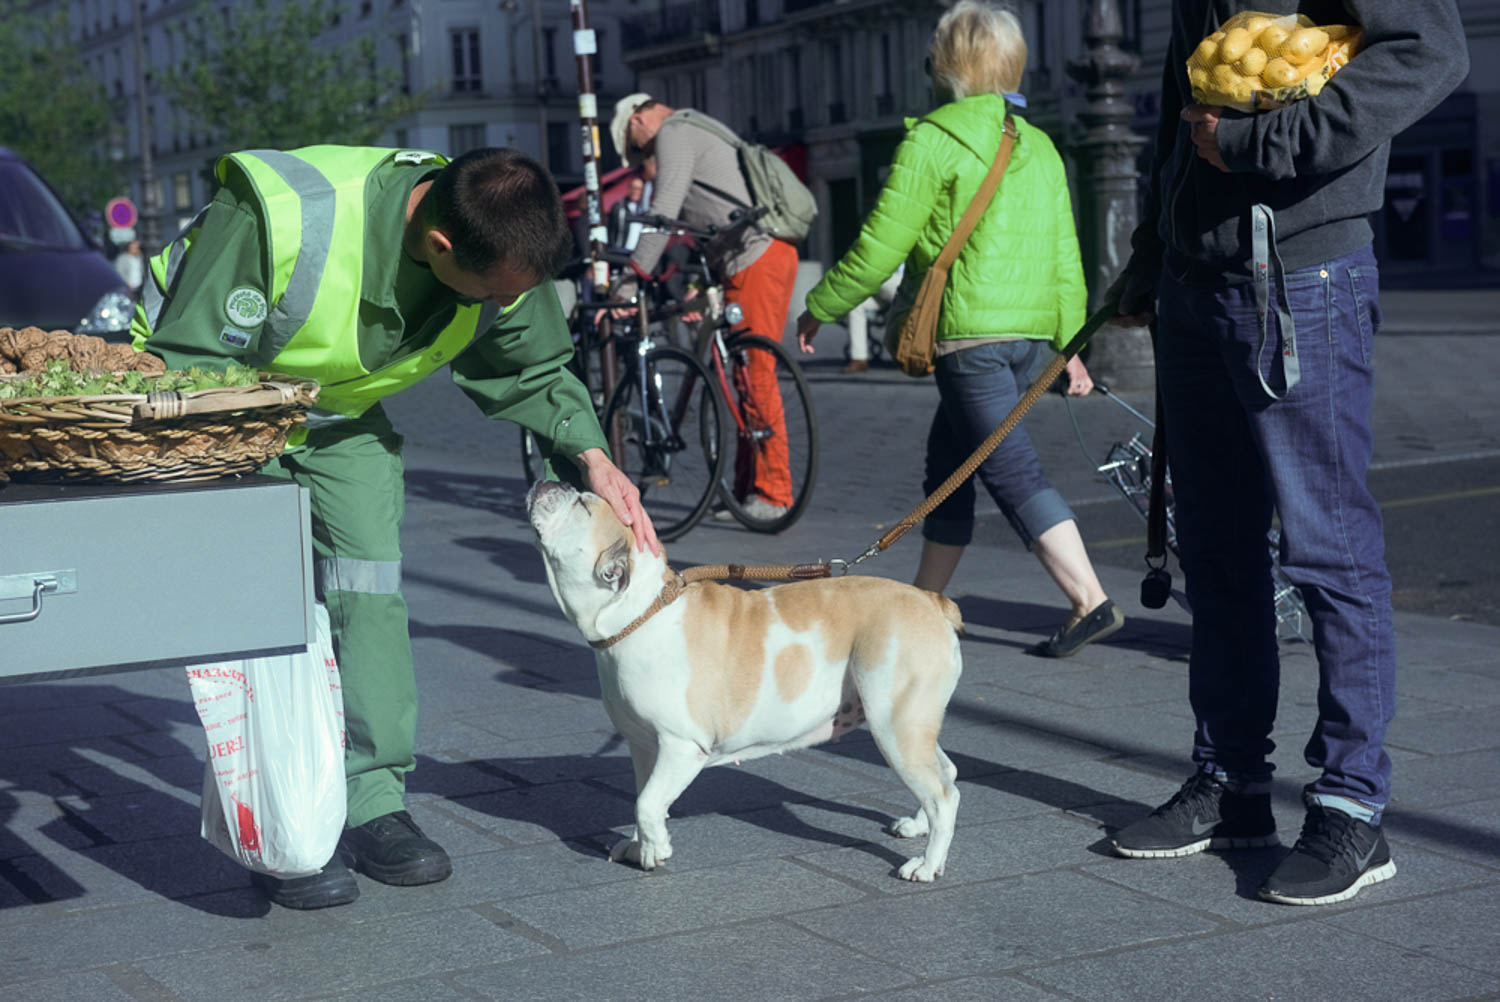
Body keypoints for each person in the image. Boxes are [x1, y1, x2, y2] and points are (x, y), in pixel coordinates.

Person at [130, 145, 659, 910]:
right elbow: (186, 361)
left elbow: (533, 369)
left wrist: (591, 457)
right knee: (267, 607)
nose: (500, 305)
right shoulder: (279, 216)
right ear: (440, 245)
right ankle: (286, 830)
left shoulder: (496, 239)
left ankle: (373, 801)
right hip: (214, 411)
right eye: (490, 294)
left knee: (367, 584)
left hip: (335, 418)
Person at [1106, 0, 1468, 905]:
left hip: (1300, 278)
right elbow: (1178, 107)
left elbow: (1432, 50)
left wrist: (1264, 146)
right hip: (1197, 285)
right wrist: (1153, 253)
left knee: (1328, 549)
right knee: (1219, 552)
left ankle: (1352, 806)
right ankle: (1231, 785)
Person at [796, 0, 1122, 658]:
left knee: (1011, 472)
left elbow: (882, 244)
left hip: (970, 341)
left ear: (947, 63)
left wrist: (821, 304)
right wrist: (1068, 348)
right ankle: (925, 606)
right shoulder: (1041, 143)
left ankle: (1089, 600)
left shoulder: (933, 139)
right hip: (1029, 339)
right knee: (949, 463)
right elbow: (1067, 257)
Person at [609, 92, 800, 522]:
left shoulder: (675, 132)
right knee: (742, 375)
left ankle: (774, 493)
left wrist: (630, 280)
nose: (645, 157)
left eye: (637, 147)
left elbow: (664, 211)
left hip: (754, 259)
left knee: (756, 374)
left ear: (638, 120)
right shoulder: (698, 126)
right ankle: (744, 490)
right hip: (753, 257)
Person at [607, 174, 650, 253]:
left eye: (639, 189)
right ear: (629, 189)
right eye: (634, 188)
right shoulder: (618, 207)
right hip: (619, 252)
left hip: (636, 253)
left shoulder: (643, 211)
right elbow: (611, 230)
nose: (636, 191)